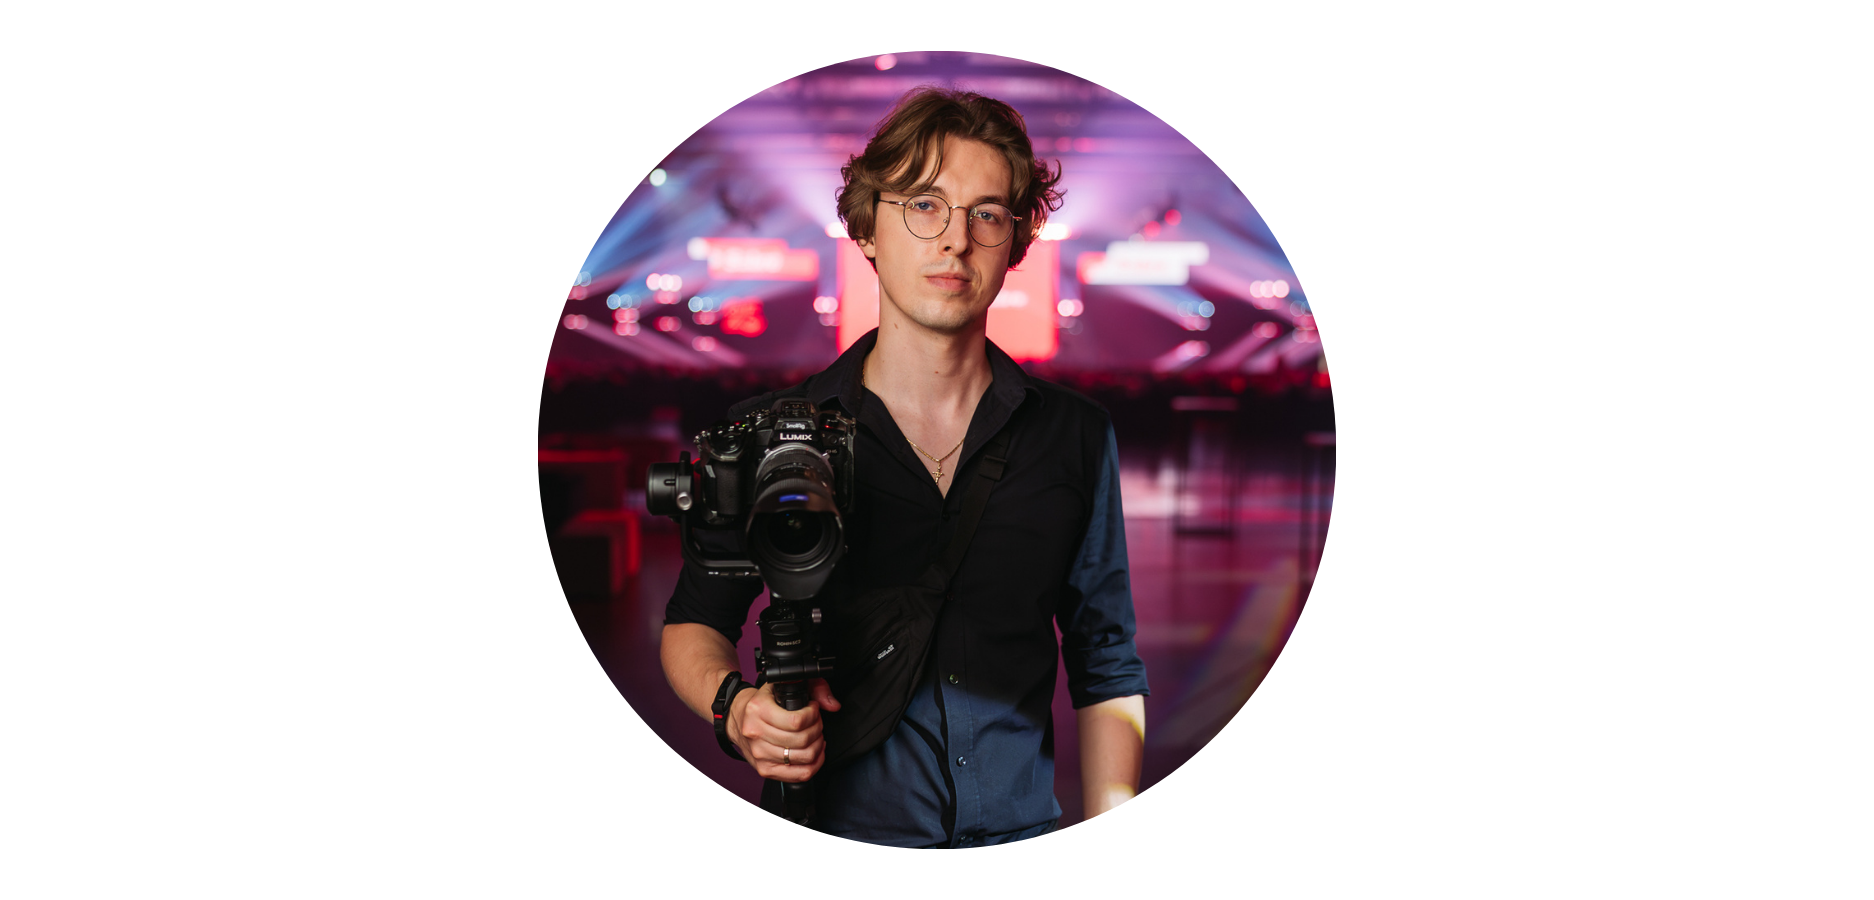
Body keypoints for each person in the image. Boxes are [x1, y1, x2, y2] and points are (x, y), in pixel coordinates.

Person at [661, 86, 1149, 848]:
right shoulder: (774, 435)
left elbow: (1107, 660)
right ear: (866, 229)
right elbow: (695, 621)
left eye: (987, 214)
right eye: (924, 205)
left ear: (1015, 243)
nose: (955, 240)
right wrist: (734, 707)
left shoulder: (1075, 435)